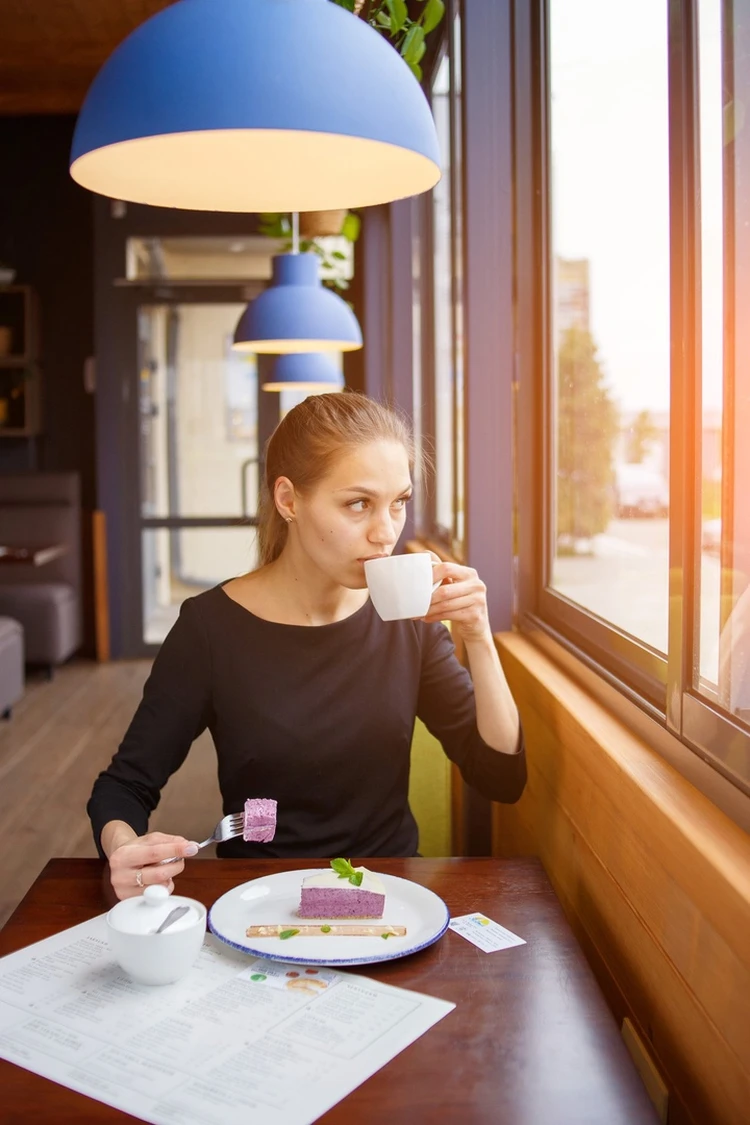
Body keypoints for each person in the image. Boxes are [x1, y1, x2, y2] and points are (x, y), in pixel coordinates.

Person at [88, 391, 526, 900]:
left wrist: (478, 636)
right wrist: (124, 849)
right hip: (259, 902)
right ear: (289, 500)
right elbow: (124, 787)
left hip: (388, 898)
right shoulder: (210, 629)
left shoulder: (408, 622)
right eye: (358, 504)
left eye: (399, 503)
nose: (386, 533)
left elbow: (500, 779)